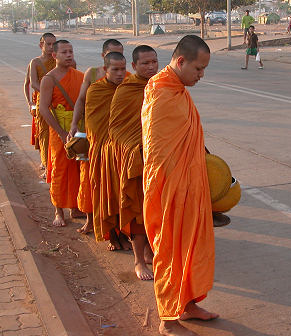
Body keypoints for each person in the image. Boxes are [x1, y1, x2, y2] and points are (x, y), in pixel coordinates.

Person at [142, 35, 218, 336]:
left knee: (191, 247)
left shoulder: (177, 89)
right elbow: (158, 152)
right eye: (199, 69)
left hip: (190, 186)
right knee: (170, 249)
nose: (201, 76)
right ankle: (167, 319)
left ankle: (187, 304)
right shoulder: (160, 92)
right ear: (181, 61)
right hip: (168, 189)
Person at [107, 45, 158, 281]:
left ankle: (150, 250)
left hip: (159, 158)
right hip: (137, 158)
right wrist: (134, 148)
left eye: (154, 62)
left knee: (156, 208)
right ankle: (138, 260)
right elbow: (116, 127)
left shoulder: (162, 86)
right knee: (137, 211)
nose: (151, 67)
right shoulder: (126, 91)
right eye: (145, 63)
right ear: (134, 66)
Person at [39, 40, 91, 227]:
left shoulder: (79, 76)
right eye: (64, 52)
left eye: (71, 51)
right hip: (59, 129)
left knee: (78, 169)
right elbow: (44, 109)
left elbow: (85, 103)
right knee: (59, 169)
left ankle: (75, 206)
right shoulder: (49, 79)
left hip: (78, 128)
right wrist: (61, 132)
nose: (69, 55)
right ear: (55, 56)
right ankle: (58, 210)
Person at [84, 52, 128, 251]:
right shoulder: (96, 91)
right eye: (115, 70)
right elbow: (93, 125)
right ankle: (111, 235)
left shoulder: (130, 89)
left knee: (124, 195)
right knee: (105, 194)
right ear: (105, 70)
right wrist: (107, 146)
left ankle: (125, 234)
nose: (120, 74)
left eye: (123, 69)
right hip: (103, 152)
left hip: (124, 152)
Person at [69, 39, 124, 139]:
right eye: (112, 54)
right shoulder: (92, 73)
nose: (116, 57)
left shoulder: (127, 78)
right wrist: (74, 124)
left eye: (119, 54)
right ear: (103, 55)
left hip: (118, 131)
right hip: (96, 129)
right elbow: (81, 100)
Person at [29, 33, 57, 177]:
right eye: (48, 44)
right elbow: (33, 83)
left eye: (54, 44)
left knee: (59, 133)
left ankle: (58, 164)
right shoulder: (35, 62)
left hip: (59, 102)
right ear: (41, 45)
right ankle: (47, 165)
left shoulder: (59, 60)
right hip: (43, 101)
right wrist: (47, 93)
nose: (52, 47)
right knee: (45, 134)